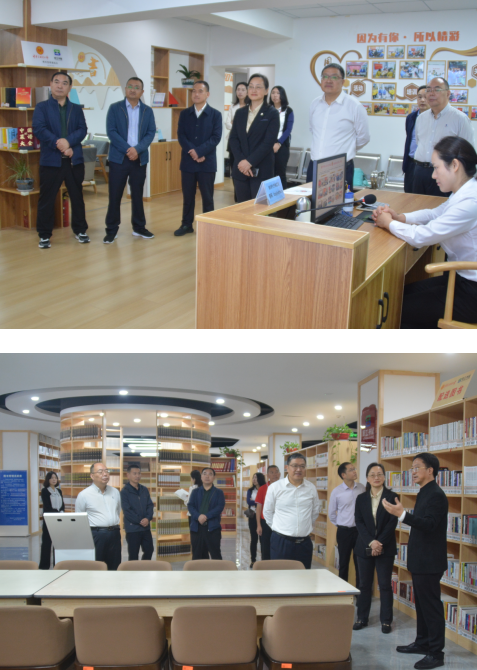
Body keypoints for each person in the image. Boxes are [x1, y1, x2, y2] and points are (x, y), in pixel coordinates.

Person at [372, 136, 477, 328]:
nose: (433, 175)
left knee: (394, 310)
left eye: (436, 168)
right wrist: (400, 218)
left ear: (455, 165)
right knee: (400, 295)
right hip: (460, 279)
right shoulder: (464, 192)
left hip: (471, 293)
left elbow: (422, 236)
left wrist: (389, 223)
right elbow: (434, 213)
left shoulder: (470, 202)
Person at [383, 453, 448, 670]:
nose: (413, 472)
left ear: (430, 470)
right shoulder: (424, 492)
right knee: (421, 605)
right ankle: (423, 643)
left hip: (430, 561)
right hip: (420, 560)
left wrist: (403, 515)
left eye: (417, 467)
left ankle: (436, 653)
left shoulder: (436, 495)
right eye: (412, 468)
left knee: (431, 607)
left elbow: (429, 524)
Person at [32, 72, 88, 249]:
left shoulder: (76, 109)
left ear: (69, 87)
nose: (59, 86)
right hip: (51, 161)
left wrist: (69, 143)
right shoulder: (42, 107)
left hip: (73, 160)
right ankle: (44, 235)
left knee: (77, 197)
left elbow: (82, 130)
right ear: (50, 84)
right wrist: (60, 143)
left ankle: (80, 230)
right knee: (47, 199)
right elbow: (39, 129)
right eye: (56, 82)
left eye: (64, 83)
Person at [104, 77, 156, 244]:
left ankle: (139, 227)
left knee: (138, 194)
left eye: (137, 87)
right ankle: (111, 230)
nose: (133, 90)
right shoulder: (115, 108)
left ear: (142, 91)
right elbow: (111, 132)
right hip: (119, 158)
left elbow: (150, 133)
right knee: (115, 194)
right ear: (125, 89)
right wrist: (128, 149)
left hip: (139, 159)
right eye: (130, 86)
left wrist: (137, 150)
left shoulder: (147, 111)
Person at [307, 63, 370, 190]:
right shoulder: (315, 104)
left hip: (339, 168)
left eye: (334, 77)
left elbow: (364, 137)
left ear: (343, 82)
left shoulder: (354, 106)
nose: (329, 80)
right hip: (314, 166)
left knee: (339, 202)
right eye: (325, 76)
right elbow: (313, 130)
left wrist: (347, 149)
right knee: (310, 202)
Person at [353, 463, 398, 634]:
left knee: (385, 585)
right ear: (367, 478)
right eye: (372, 475)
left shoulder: (392, 497)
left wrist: (379, 543)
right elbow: (359, 522)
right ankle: (361, 618)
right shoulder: (361, 498)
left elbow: (392, 523)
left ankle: (386, 621)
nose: (376, 477)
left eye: (379, 474)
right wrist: (371, 542)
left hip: (385, 547)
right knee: (364, 584)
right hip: (364, 546)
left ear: (385, 477)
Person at [175, 80, 222, 237]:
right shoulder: (184, 114)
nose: (196, 94)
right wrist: (193, 153)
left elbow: (215, 138)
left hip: (207, 163)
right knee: (188, 196)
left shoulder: (215, 115)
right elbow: (181, 136)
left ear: (207, 94)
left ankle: (209, 227)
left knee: (207, 197)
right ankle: (186, 225)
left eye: (200, 91)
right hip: (188, 162)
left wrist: (200, 152)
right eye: (194, 91)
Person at [413, 77, 474, 197]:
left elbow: (468, 154)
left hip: (446, 174)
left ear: (448, 93)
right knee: (416, 205)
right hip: (420, 171)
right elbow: (419, 142)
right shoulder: (421, 118)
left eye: (437, 89)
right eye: (429, 90)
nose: (431, 93)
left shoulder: (460, 119)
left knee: (442, 206)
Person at [229, 73, 280, 202]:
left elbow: (268, 143)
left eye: (258, 87)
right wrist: (242, 162)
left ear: (266, 91)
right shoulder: (240, 113)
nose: (253, 90)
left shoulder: (272, 113)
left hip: (261, 170)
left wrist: (249, 162)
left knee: (260, 209)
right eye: (251, 86)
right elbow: (233, 139)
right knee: (242, 208)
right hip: (240, 170)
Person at [263, 453, 320, 569]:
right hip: (281, 542)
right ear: (287, 467)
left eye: (302, 466)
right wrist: (278, 529)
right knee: (280, 576)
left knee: (303, 576)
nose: (299, 469)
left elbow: (315, 511)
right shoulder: (275, 487)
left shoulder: (311, 488)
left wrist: (304, 526)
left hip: (304, 543)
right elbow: (267, 512)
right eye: (295, 466)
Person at [75, 463, 121, 570]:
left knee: (115, 566)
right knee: (97, 566)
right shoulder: (84, 495)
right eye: (100, 472)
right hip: (96, 535)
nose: (105, 474)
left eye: (106, 471)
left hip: (114, 533)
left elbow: (117, 511)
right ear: (92, 476)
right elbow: (80, 518)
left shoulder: (115, 492)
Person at [328, 462, 365, 586]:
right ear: (343, 475)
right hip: (344, 532)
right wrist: (341, 524)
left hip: (359, 531)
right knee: (343, 563)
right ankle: (343, 590)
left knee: (359, 562)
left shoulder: (361, 488)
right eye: (351, 470)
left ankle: (360, 592)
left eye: (354, 469)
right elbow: (332, 513)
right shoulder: (336, 492)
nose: (355, 471)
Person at [188, 467, 225, 560]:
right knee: (197, 556)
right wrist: (198, 516)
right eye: (204, 474)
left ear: (214, 477)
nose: (207, 476)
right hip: (197, 528)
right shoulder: (195, 492)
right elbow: (190, 506)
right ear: (201, 477)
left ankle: (216, 571)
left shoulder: (219, 492)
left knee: (216, 556)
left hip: (212, 528)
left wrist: (206, 516)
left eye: (210, 474)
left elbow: (219, 507)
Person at [120, 463, 154, 561]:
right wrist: (140, 521)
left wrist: (147, 518)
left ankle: (144, 568)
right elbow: (127, 511)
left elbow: (150, 505)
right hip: (133, 529)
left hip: (145, 528)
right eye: (134, 473)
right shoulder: (124, 492)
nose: (137, 476)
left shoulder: (144, 489)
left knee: (149, 550)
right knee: (133, 555)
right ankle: (134, 570)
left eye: (139, 473)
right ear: (128, 475)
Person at [403, 86, 429, 193]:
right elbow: (409, 139)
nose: (422, 100)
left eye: (425, 97)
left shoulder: (435, 118)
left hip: (427, 166)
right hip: (411, 163)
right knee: (408, 195)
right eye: (419, 97)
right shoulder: (411, 117)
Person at [270, 86, 294, 191]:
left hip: (282, 145)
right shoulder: (267, 109)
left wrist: (279, 143)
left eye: (278, 93)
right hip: (268, 144)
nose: (275, 95)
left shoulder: (288, 111)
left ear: (282, 95)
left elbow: (288, 130)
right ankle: (270, 195)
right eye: (273, 93)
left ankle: (283, 195)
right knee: (269, 173)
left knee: (280, 173)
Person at [39, 472, 65, 570]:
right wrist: (57, 512)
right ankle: (44, 566)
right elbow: (47, 506)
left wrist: (61, 511)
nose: (54, 479)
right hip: (49, 520)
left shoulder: (59, 491)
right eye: (51, 478)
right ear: (48, 479)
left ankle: (57, 564)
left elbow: (62, 505)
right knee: (46, 543)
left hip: (59, 520)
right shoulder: (45, 491)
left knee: (57, 543)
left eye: (55, 478)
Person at [255, 464, 281, 561]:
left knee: (278, 546)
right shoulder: (262, 489)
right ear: (268, 475)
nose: (275, 474)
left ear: (280, 474)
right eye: (272, 472)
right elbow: (259, 508)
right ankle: (266, 566)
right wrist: (259, 525)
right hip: (265, 522)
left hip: (280, 522)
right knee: (265, 547)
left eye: (276, 472)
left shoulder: (284, 487)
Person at [225, 82, 248, 174]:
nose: (240, 92)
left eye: (243, 90)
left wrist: (234, 124)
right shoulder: (233, 106)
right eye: (238, 90)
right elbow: (227, 124)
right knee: (234, 166)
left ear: (247, 92)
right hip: (233, 140)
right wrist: (238, 126)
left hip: (245, 141)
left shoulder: (249, 107)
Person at [246, 472, 266, 568]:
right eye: (253, 478)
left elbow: (265, 502)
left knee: (263, 540)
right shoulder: (250, 490)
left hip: (263, 517)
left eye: (256, 478)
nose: (254, 480)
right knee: (253, 539)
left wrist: (255, 502)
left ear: (260, 479)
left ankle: (264, 560)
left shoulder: (265, 489)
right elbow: (248, 501)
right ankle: (253, 560)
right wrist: (259, 502)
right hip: (253, 517)